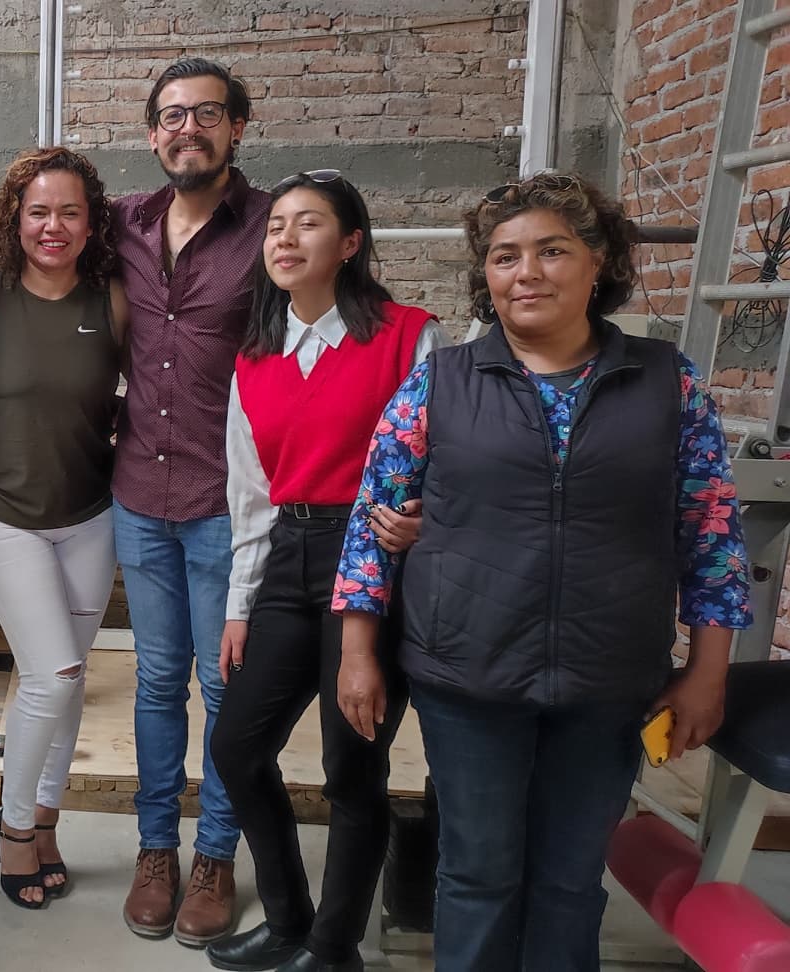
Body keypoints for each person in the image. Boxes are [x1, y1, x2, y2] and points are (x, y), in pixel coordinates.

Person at [332, 172, 751, 972]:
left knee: (568, 882)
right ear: (486, 276)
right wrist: (357, 652)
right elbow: (371, 525)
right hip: (468, 677)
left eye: (552, 251)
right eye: (504, 256)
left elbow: (713, 536)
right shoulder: (440, 382)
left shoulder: (668, 383)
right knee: (477, 876)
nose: (526, 272)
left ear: (598, 263)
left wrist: (708, 673)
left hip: (608, 680)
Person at [206, 171, 439, 972]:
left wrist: (429, 521)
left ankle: (334, 948)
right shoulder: (254, 357)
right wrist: (240, 605)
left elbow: (450, 458)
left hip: (374, 559)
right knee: (237, 749)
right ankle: (287, 923)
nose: (285, 237)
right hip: (287, 555)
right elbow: (249, 493)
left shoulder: (409, 337)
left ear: (350, 244)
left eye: (308, 223)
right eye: (276, 225)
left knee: (351, 766)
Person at [110, 56, 270, 947]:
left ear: (237, 128)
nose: (188, 129)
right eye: (172, 116)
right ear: (152, 134)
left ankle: (216, 854)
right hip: (139, 490)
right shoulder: (123, 223)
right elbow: (33, 248)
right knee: (158, 678)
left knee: (224, 684)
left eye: (207, 114)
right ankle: (155, 850)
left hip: (226, 499)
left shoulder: (270, 225)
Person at [0, 147, 128, 909]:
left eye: (69, 211)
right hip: (3, 512)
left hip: (90, 514)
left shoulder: (113, 302)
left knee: (71, 678)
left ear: (90, 224)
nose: (52, 226)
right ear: (15, 219)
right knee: (52, 674)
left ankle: (46, 820)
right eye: (38, 211)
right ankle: (14, 826)